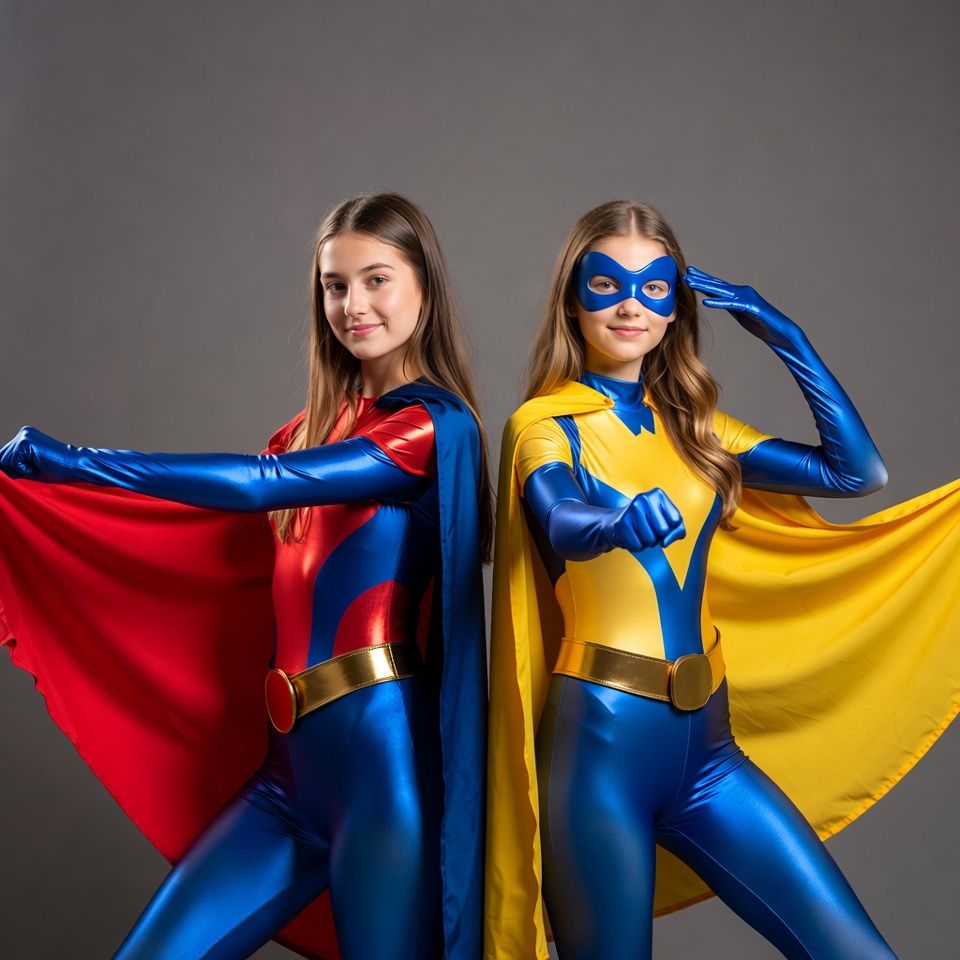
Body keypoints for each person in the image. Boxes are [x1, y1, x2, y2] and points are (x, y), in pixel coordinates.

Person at [0, 192, 490, 960]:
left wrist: (75, 465)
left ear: (424, 290)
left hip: (381, 769)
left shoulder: (430, 428)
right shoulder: (299, 435)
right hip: (288, 773)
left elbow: (258, 488)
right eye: (334, 285)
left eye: (376, 280)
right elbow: (215, 538)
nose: (353, 305)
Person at [485, 200, 960, 959]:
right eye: (605, 285)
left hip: (707, 742)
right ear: (572, 303)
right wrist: (612, 525)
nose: (631, 304)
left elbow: (857, 471)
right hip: (601, 742)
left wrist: (787, 337)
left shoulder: (696, 428)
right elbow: (558, 515)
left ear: (677, 307)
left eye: (654, 286)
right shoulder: (546, 425)